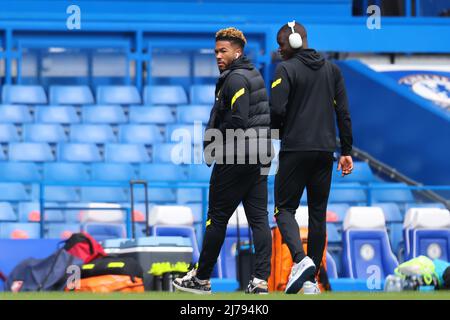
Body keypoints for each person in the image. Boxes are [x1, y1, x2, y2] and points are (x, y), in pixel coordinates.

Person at [173, 27, 273, 294]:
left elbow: (238, 120)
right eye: (216, 51)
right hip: (261, 153)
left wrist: (214, 141)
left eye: (223, 51)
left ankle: (202, 277)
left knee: (216, 219)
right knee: (259, 219)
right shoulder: (253, 74)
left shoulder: (236, 79)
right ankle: (261, 280)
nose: (217, 55)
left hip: (237, 154)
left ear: (237, 52)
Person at [270, 21, 354, 294]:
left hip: (295, 148)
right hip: (325, 152)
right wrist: (346, 151)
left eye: (281, 44)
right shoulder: (333, 70)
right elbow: (343, 113)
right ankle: (311, 281)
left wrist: (276, 135)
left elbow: (277, 110)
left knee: (283, 209)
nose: (279, 50)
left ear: (291, 44)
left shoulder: (285, 68)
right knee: (318, 216)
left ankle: (300, 260)